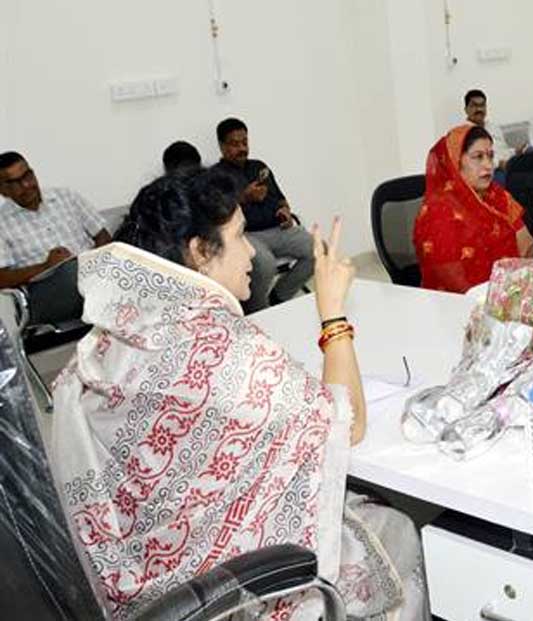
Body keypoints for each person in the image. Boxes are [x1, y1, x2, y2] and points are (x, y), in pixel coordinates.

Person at [50, 170, 429, 621]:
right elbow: (347, 424)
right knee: (398, 528)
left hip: (149, 578)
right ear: (200, 251)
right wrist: (331, 312)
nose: (252, 251)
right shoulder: (226, 353)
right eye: (239, 236)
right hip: (233, 585)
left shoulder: (104, 344)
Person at [211, 117, 314, 313]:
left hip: (277, 229)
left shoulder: (259, 167)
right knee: (265, 265)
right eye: (235, 144)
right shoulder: (215, 176)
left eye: (245, 142)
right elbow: (217, 214)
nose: (242, 148)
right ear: (222, 146)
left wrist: (286, 211)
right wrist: (244, 197)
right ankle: (257, 310)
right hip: (245, 236)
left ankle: (278, 297)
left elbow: (281, 199)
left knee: (317, 249)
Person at [413, 125, 532, 293]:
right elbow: (457, 285)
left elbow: (527, 246)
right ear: (455, 161)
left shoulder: (498, 196)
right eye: (478, 157)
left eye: (490, 156)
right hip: (461, 303)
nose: (488, 165)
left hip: (509, 291)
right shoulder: (438, 212)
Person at [0, 151, 111, 325]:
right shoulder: (2, 223)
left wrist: (98, 264)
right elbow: (2, 278)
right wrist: (46, 266)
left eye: (28, 176)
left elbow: (102, 235)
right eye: (15, 182)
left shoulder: (66, 196)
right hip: (44, 293)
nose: (26, 185)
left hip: (94, 275)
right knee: (70, 270)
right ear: (3, 190)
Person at [463, 89, 517, 171]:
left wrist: (516, 151)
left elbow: (503, 150)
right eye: (474, 106)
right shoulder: (464, 133)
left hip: (509, 164)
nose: (479, 109)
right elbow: (473, 161)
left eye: (482, 105)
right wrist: (499, 164)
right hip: (491, 171)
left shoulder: (493, 127)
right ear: (466, 109)